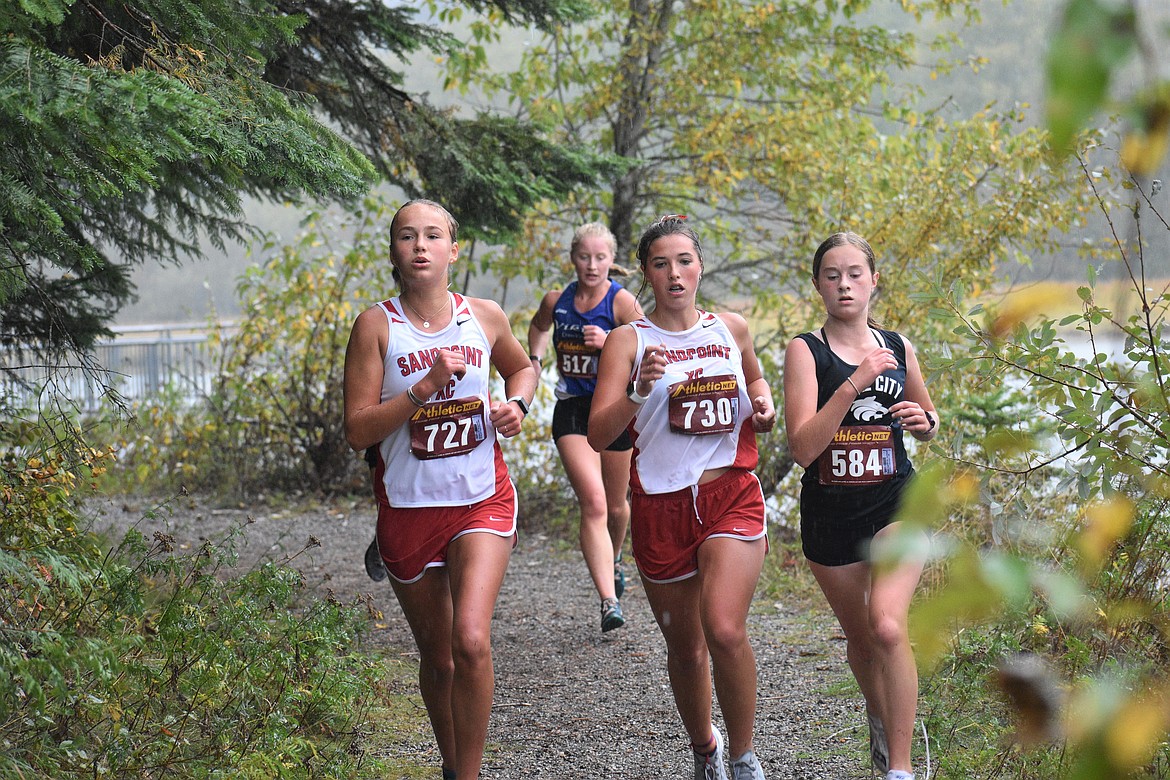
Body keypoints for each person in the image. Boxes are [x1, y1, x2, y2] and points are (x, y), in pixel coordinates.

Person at [343, 199, 537, 780]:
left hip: (481, 496)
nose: (420, 246)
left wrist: (517, 405)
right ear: (396, 253)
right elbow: (358, 430)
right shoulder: (376, 326)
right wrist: (423, 388)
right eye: (407, 237)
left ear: (454, 250)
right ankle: (453, 767)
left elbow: (521, 369)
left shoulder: (484, 315)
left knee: (471, 640)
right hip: (408, 505)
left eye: (433, 236)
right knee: (439, 658)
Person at [587, 215, 776, 780]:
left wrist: (763, 407)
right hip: (661, 507)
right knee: (688, 648)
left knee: (723, 627)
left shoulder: (731, 329)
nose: (675, 273)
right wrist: (638, 390)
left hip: (730, 495)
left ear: (700, 266)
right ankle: (706, 749)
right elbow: (599, 433)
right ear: (645, 272)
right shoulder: (630, 341)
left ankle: (744, 757)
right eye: (661, 263)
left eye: (685, 261)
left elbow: (756, 379)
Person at [782, 232, 937, 780]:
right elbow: (802, 449)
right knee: (862, 641)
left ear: (874, 279)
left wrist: (926, 423)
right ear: (819, 285)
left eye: (854, 273)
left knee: (888, 627)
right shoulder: (806, 350)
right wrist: (852, 385)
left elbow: (929, 418)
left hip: (898, 501)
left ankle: (900, 767)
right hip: (831, 515)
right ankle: (881, 714)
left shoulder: (897, 344)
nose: (844, 284)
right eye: (832, 275)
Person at [527, 222, 643, 632]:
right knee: (593, 502)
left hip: (613, 409)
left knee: (615, 505)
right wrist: (536, 361)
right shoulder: (558, 300)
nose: (592, 266)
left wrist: (611, 340)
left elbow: (651, 346)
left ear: (611, 261)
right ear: (573, 258)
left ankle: (613, 559)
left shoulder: (621, 301)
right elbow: (539, 326)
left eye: (601, 258)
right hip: (573, 409)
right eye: (584, 257)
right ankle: (608, 601)